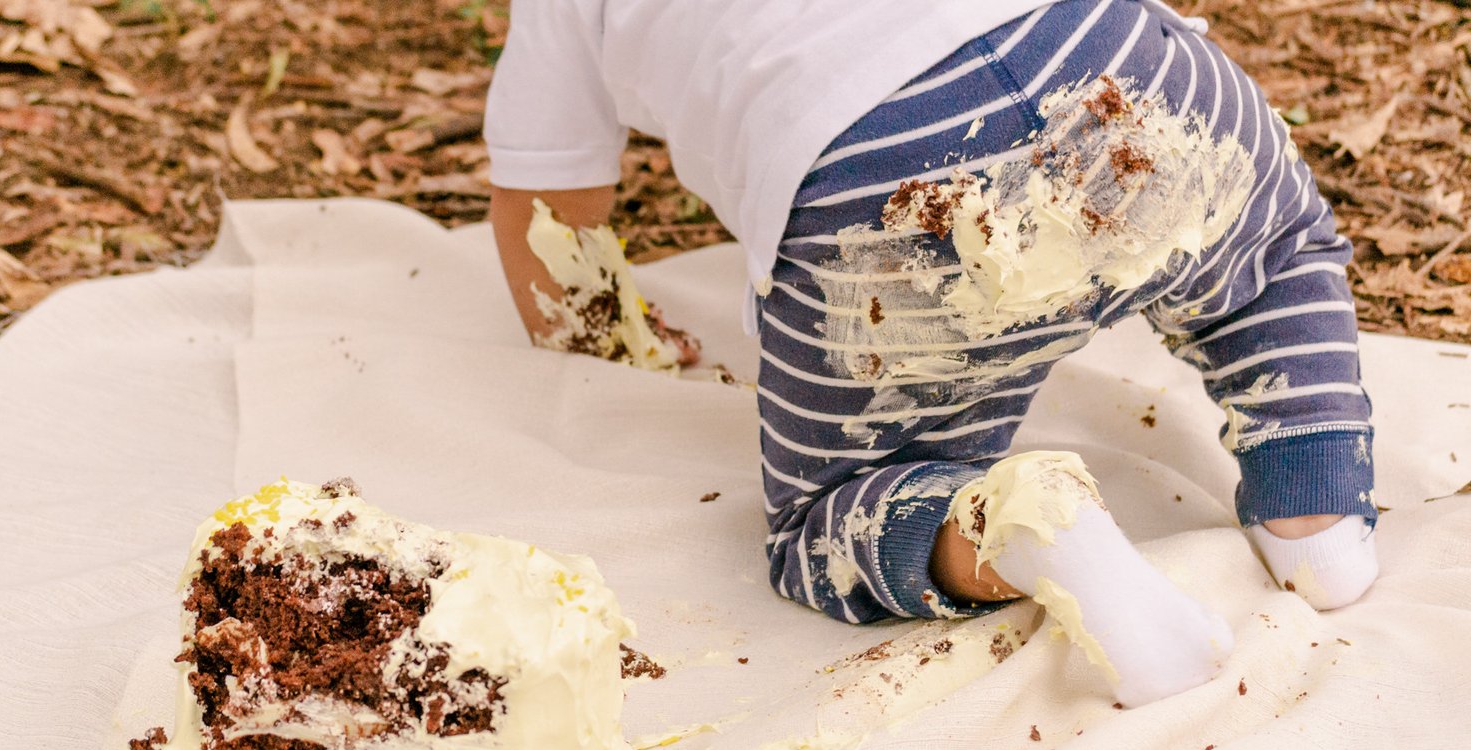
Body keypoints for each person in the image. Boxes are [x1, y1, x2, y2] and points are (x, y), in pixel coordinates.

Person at [484, 0, 1379, 706]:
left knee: (828, 517)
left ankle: (1025, 527)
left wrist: (598, 343)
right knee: (1271, 256)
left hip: (886, 184)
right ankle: (1317, 512)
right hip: (1107, 59)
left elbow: (547, 209)